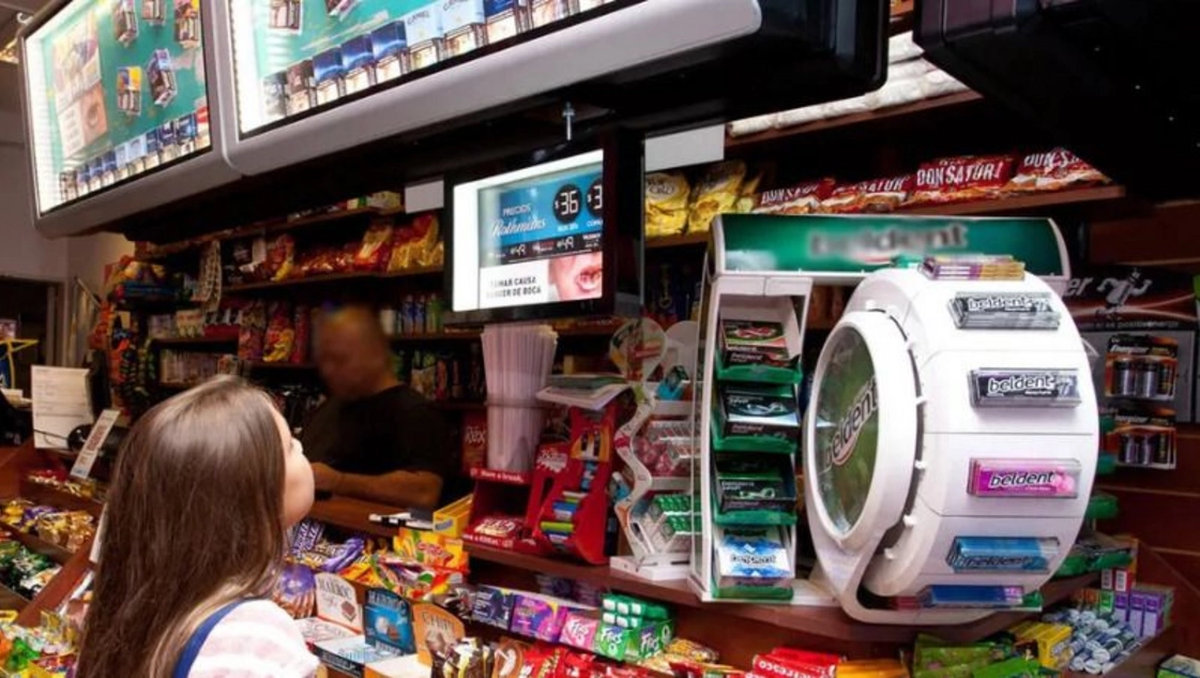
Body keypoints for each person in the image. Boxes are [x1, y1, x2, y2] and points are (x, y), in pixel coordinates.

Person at [77, 377, 318, 678]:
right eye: (291, 446)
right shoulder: (253, 636)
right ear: (248, 495)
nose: (302, 446)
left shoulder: (132, 609)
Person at [303, 306, 451, 509]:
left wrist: (339, 482)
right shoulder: (330, 407)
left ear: (375, 353)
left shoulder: (415, 413)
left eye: (340, 359)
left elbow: (425, 493)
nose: (328, 370)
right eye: (325, 360)